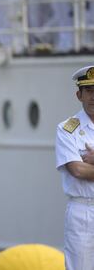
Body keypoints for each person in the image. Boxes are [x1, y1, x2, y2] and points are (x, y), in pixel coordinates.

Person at [56, 65, 94, 270]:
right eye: (89, 91)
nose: (93, 96)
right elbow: (77, 170)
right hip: (83, 211)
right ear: (79, 95)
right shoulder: (67, 128)